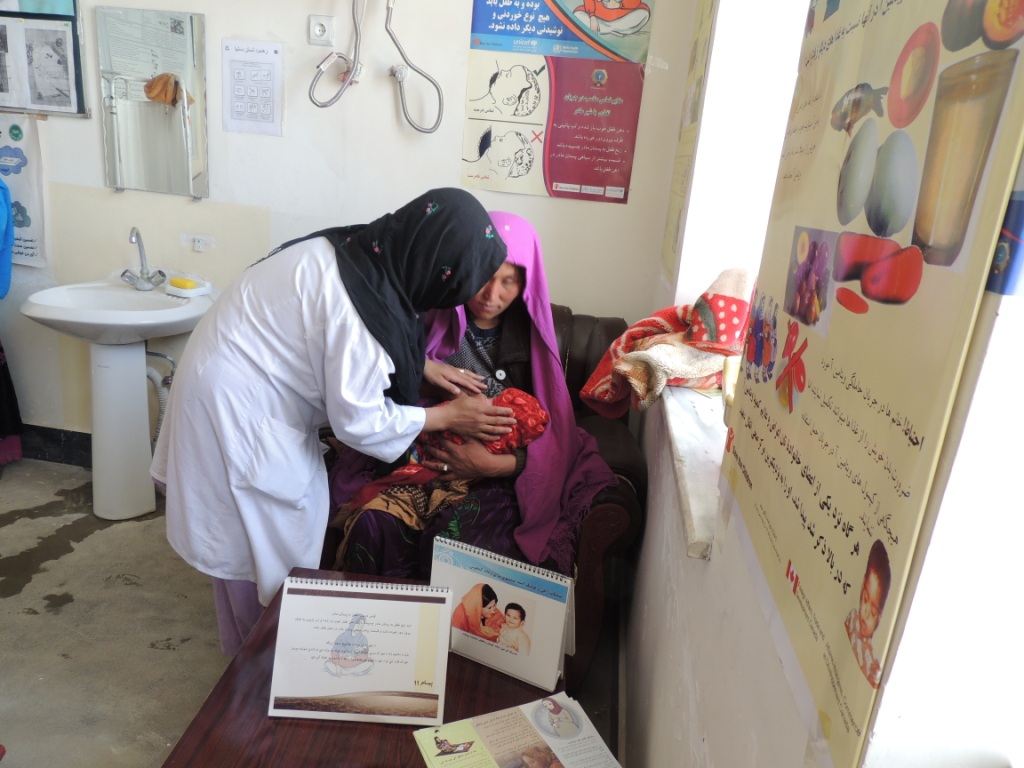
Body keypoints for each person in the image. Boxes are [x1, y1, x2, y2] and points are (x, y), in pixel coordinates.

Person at [150, 188, 517, 655]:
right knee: (269, 548)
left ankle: (249, 661)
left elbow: (336, 329)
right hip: (239, 412)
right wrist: (447, 415)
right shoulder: (357, 314)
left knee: (246, 541)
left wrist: (420, 364)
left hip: (225, 380)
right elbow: (360, 423)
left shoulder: (363, 251)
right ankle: (259, 673)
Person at [328, 211, 616, 579]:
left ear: (526, 284)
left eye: (509, 282)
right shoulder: (424, 320)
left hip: (496, 477)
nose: (491, 296)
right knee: (374, 527)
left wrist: (492, 465)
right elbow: (382, 393)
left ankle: (449, 637)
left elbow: (555, 438)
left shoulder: (534, 346)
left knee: (454, 544)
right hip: (423, 462)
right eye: (484, 275)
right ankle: (388, 633)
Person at [845, 538, 891, 689]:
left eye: (872, 612)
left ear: (879, 617)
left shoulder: (871, 661)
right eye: (865, 598)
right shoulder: (851, 619)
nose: (865, 612)